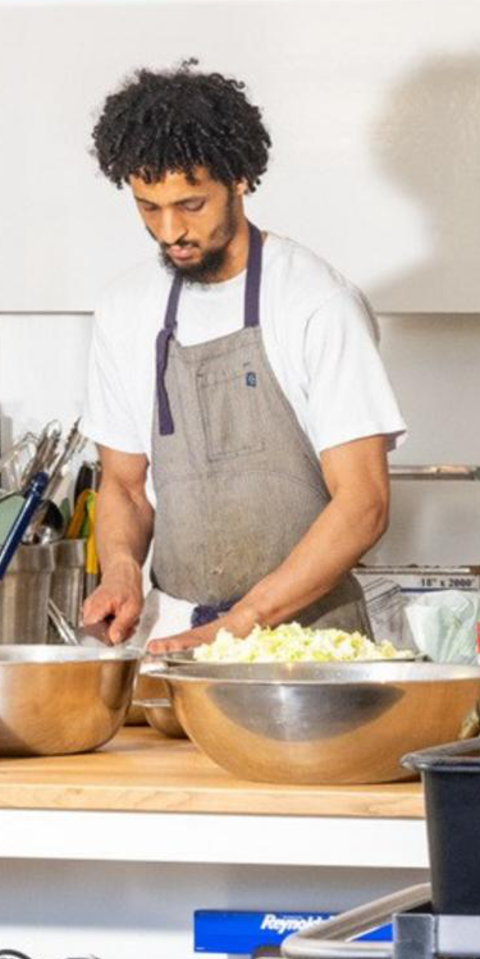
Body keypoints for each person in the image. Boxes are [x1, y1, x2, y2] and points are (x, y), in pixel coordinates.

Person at [74, 63, 403, 650]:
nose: (170, 231)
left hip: (308, 643)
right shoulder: (124, 309)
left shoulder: (316, 302)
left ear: (241, 180)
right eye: (149, 207)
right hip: (173, 636)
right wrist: (121, 572)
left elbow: (364, 504)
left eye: (191, 204)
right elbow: (123, 485)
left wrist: (239, 625)